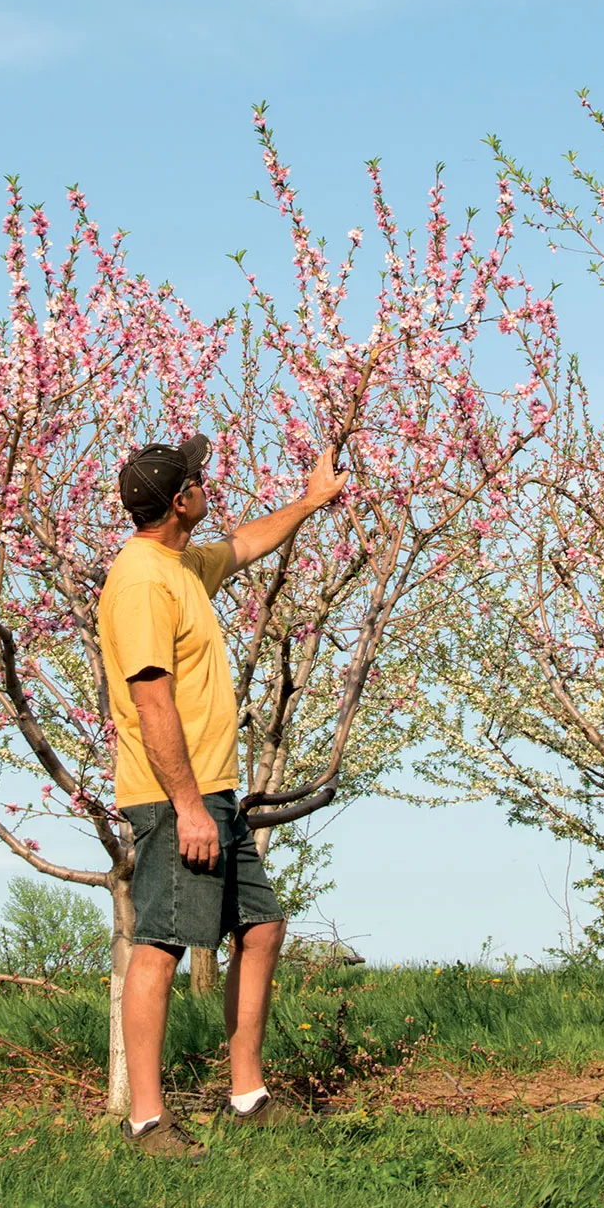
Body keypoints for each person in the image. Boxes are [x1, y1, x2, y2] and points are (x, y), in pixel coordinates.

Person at [98, 432, 348, 1157]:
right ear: (180, 500)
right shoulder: (142, 579)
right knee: (161, 944)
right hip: (178, 797)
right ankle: (148, 1121)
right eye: (198, 477)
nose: (209, 482)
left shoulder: (177, 564)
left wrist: (311, 499)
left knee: (262, 926)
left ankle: (247, 1096)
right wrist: (184, 805)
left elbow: (243, 545)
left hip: (212, 793)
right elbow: (150, 700)